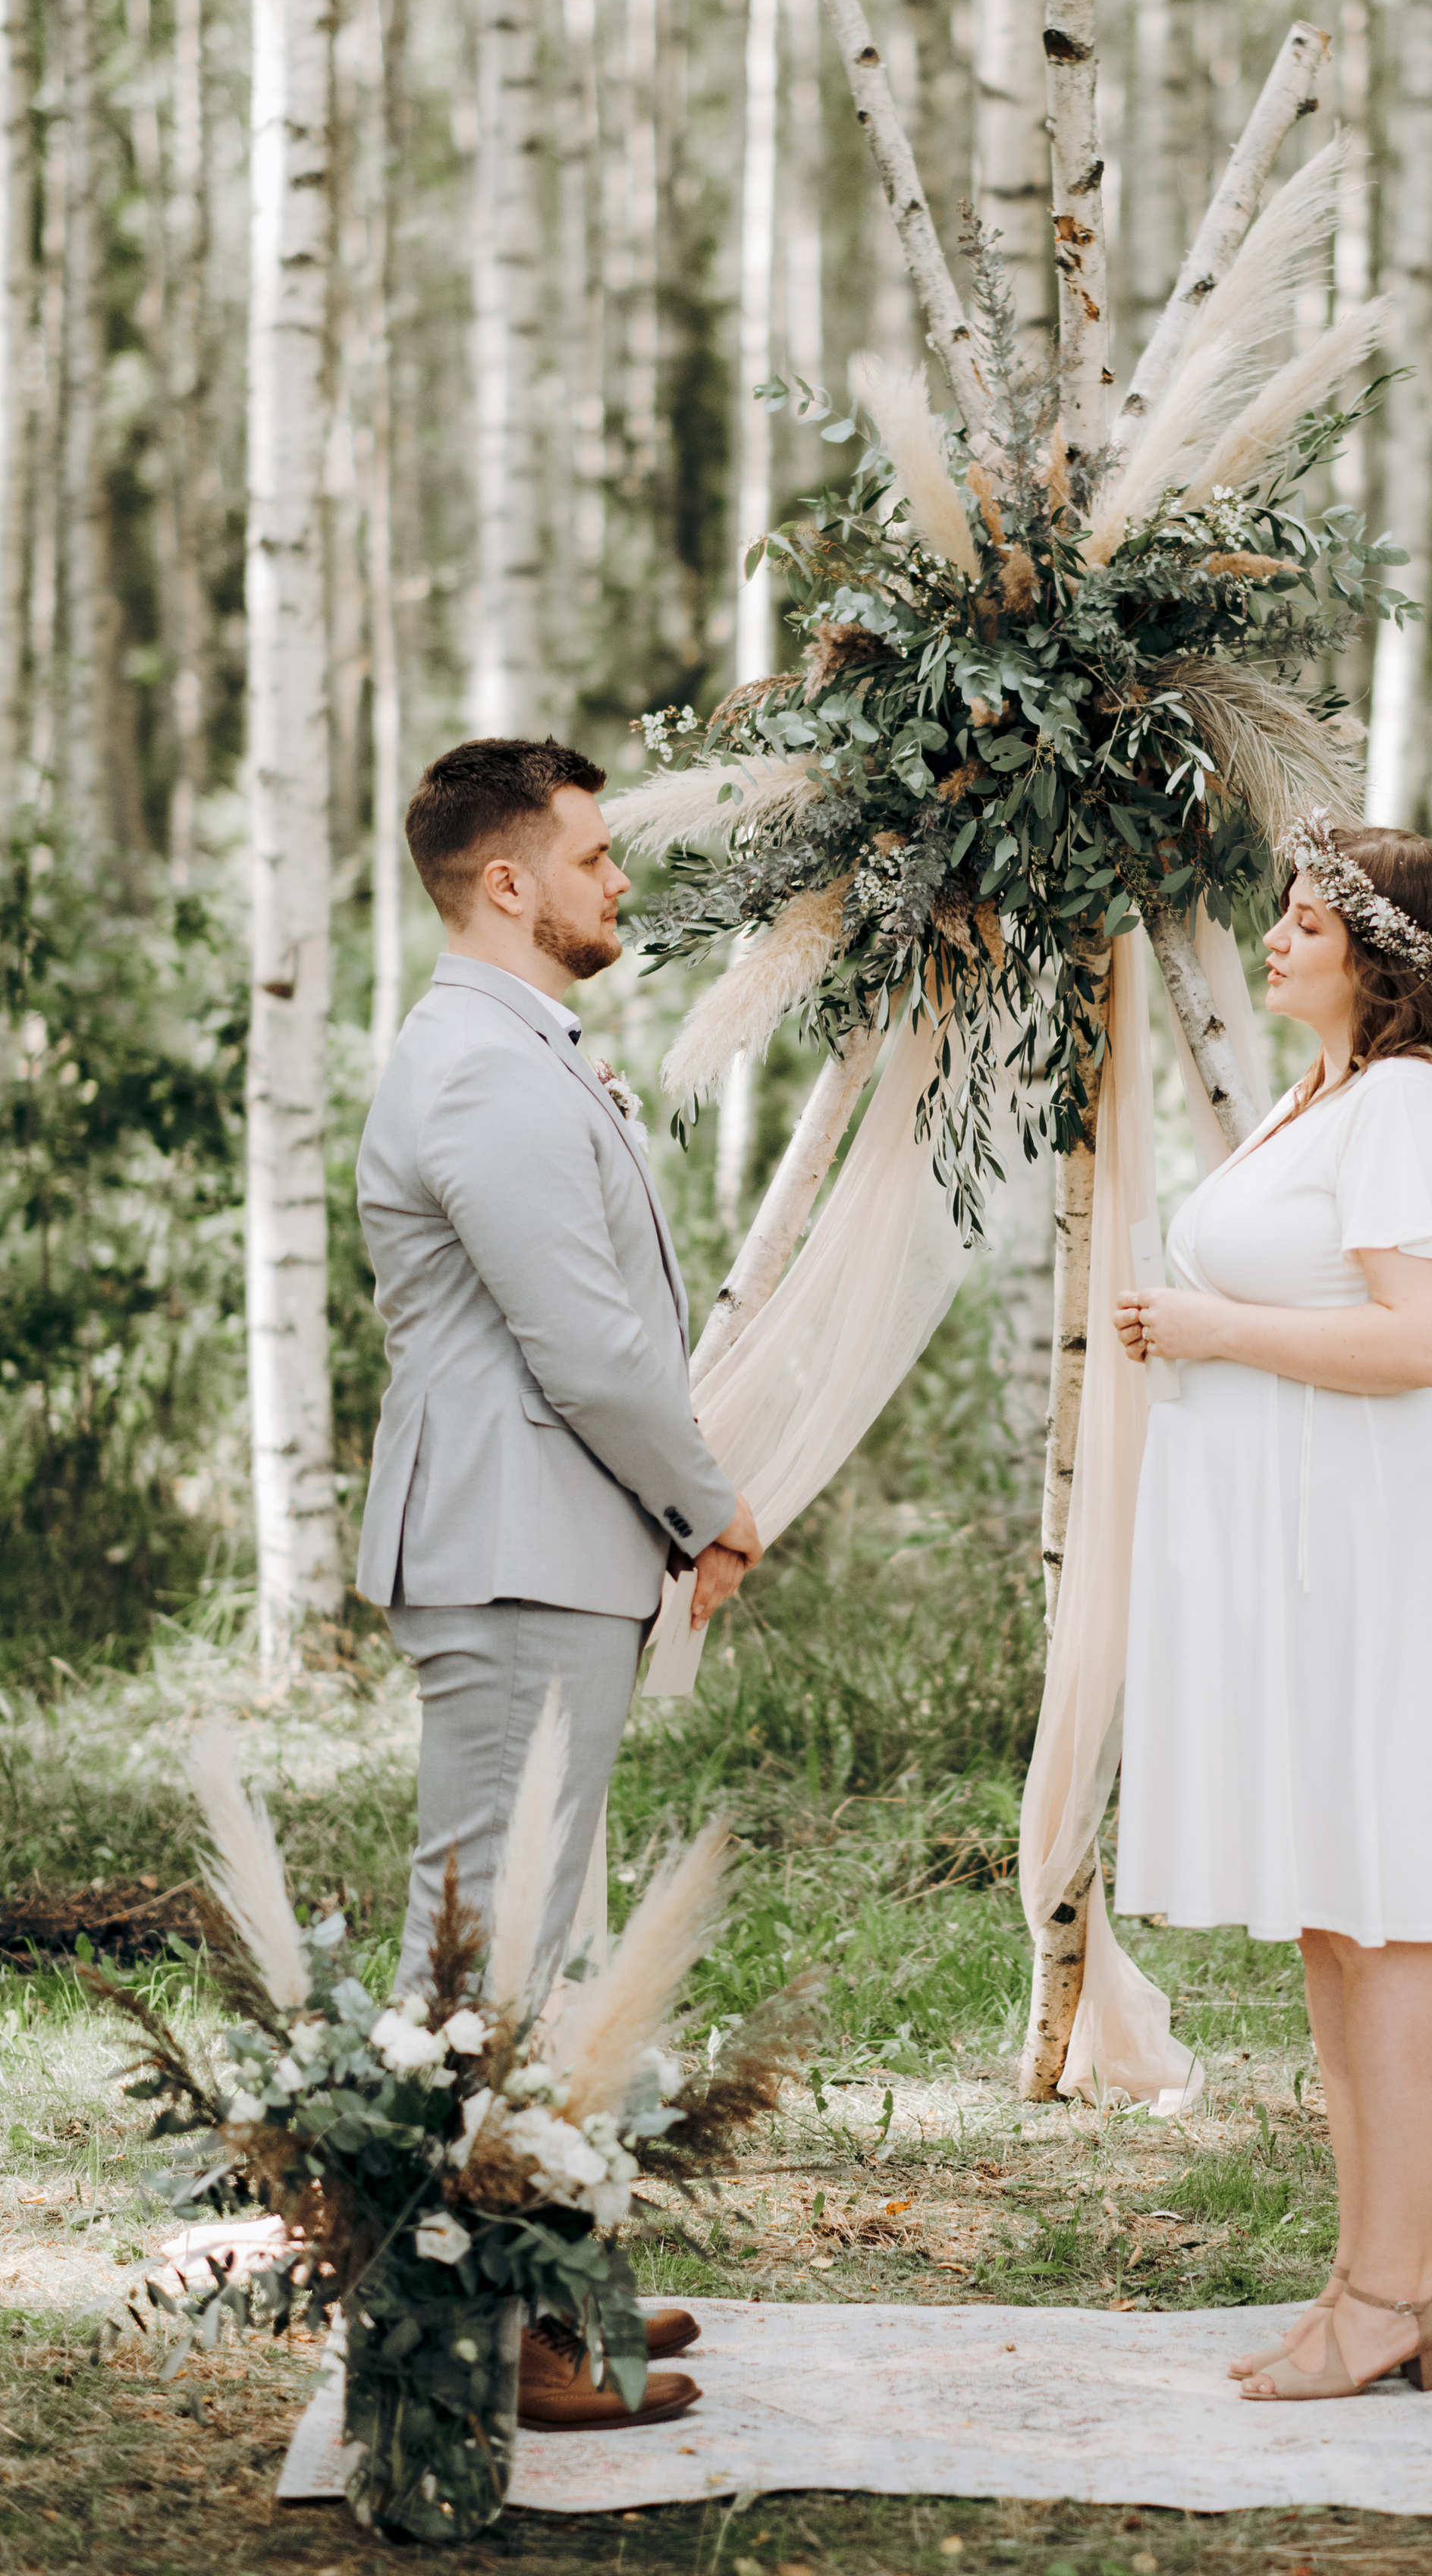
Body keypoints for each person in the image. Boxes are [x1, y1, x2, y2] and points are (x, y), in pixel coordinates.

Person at [1113, 818, 1432, 2405]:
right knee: (1332, 1908)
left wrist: (1209, 1324)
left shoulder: (1403, 1106)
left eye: (1308, 918)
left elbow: (1418, 1340)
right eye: (1284, 911)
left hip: (1365, 1549)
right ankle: (1379, 2282)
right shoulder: (1315, 1102)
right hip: (1290, 1547)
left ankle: (1388, 2290)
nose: (1278, 935)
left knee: (1384, 1913)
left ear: (1378, 955)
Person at [356, 734, 762, 2428]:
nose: (619, 881)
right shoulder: (477, 1068)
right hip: (515, 1552)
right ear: (506, 883)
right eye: (593, 857)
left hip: (544, 1552)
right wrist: (708, 1506)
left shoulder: (518, 1049)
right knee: (479, 1972)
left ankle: (552, 2280)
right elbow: (587, 1345)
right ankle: (470, 2341)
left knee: (534, 1946)